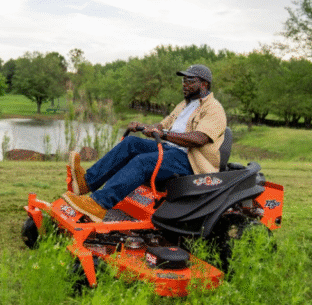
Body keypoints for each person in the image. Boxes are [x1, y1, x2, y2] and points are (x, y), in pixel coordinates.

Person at [63, 64, 227, 222]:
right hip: (172, 150)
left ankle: (99, 204)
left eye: (190, 81)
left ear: (204, 84)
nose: (184, 85)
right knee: (131, 143)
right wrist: (143, 127)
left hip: (190, 160)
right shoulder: (185, 104)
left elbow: (199, 138)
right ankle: (86, 182)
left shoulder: (214, 109)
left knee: (143, 161)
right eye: (183, 81)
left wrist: (163, 134)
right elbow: (163, 125)